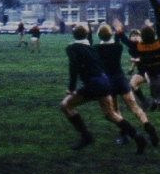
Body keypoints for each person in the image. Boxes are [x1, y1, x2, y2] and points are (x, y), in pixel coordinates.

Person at [60, 25, 147, 154]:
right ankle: (138, 137)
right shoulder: (90, 48)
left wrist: (71, 88)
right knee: (110, 114)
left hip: (94, 84)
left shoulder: (73, 48)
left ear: (74, 35)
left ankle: (86, 137)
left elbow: (73, 67)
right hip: (105, 82)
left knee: (66, 105)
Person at [99, 21, 160, 147]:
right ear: (111, 34)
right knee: (135, 107)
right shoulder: (118, 47)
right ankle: (148, 127)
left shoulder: (96, 49)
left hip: (109, 82)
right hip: (121, 80)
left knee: (116, 111)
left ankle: (124, 135)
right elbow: (117, 42)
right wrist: (118, 31)